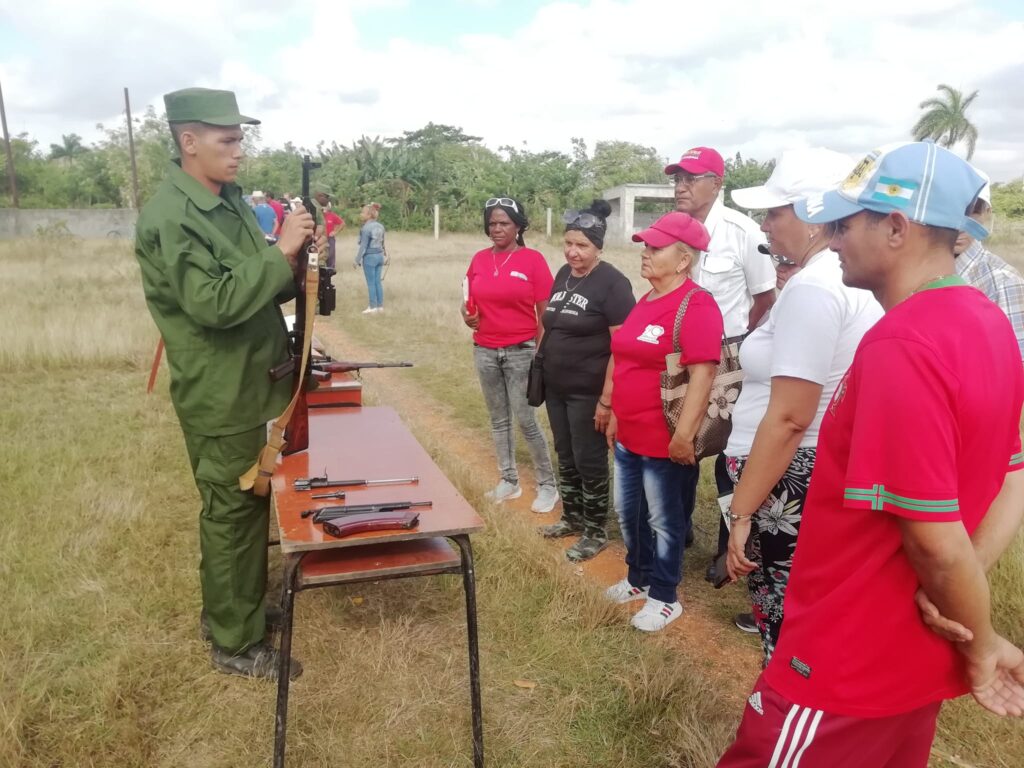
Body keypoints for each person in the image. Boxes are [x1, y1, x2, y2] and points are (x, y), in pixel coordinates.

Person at [717, 141, 1024, 767]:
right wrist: (953, 611)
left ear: (896, 227)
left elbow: (933, 538)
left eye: (845, 224)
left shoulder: (901, 345)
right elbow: (1013, 480)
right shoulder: (988, 323)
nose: (832, 241)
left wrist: (982, 641)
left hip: (844, 657)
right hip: (906, 659)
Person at [134, 87, 325, 680]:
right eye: (227, 139)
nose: (239, 150)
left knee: (247, 506)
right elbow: (214, 302)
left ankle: (234, 609)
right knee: (229, 511)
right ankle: (234, 643)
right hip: (221, 391)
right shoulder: (172, 215)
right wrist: (283, 250)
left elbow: (256, 284)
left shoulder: (229, 201)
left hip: (252, 381)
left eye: (241, 139)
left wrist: (296, 263)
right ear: (189, 142)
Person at [721, 148, 882, 662]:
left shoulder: (815, 288)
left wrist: (742, 511)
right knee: (804, 614)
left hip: (788, 475)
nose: (765, 225)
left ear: (814, 216)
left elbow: (791, 416)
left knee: (786, 621)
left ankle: (786, 725)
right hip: (804, 469)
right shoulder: (838, 280)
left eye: (775, 212)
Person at [666, 147, 776, 630]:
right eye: (677, 178)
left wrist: (737, 347)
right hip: (681, 355)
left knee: (730, 455)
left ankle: (726, 545)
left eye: (691, 178)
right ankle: (680, 525)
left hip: (730, 355)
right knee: (681, 442)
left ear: (716, 182)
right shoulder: (670, 230)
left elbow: (765, 298)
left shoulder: (743, 232)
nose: (681, 186)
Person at [603, 211, 724, 632]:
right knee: (629, 512)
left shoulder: (697, 304)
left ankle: (664, 595)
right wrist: (615, 410)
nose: (645, 252)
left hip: (665, 439)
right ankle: (638, 578)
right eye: (645, 245)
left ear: (684, 259)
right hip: (630, 434)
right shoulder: (646, 300)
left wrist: (684, 436)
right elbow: (625, 360)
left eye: (656, 247)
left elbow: (703, 374)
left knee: (665, 520)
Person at [538, 200, 635, 561]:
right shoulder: (563, 274)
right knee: (565, 454)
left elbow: (622, 347)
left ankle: (596, 530)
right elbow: (548, 323)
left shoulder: (613, 283)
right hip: (556, 387)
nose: (573, 251)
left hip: (589, 391)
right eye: (568, 243)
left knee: (589, 458)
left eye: (582, 245)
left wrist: (607, 399)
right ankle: (572, 517)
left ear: (598, 247)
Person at [462, 196, 559, 514]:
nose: (497, 228)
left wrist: (540, 356)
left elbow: (545, 314)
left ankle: (548, 486)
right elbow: (467, 301)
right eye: (492, 223)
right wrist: (467, 316)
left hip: (521, 352)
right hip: (485, 350)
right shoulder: (478, 259)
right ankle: (509, 480)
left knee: (526, 421)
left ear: (518, 226)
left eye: (504, 222)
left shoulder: (533, 260)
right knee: (498, 420)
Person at [954, 175, 1024, 361]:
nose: (961, 225)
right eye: (955, 209)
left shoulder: (1003, 281)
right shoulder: (916, 270)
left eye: (974, 211)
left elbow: (1017, 364)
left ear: (986, 213)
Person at [355, 202, 387, 314]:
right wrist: (385, 254)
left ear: (369, 215)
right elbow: (383, 243)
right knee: (378, 282)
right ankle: (380, 306)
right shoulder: (381, 226)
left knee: (371, 283)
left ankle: (372, 306)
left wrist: (357, 260)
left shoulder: (365, 228)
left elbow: (363, 246)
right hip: (379, 255)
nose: (361, 214)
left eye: (363, 212)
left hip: (370, 257)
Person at [313, 184, 344, 271]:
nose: (328, 200)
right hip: (316, 249)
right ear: (320, 195)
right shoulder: (315, 209)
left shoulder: (319, 209)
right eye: (327, 197)